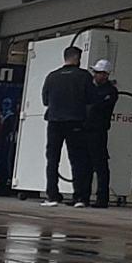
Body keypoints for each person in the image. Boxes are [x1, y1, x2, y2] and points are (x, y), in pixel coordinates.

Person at [40, 45, 95, 206]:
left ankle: (52, 195)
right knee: (78, 160)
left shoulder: (52, 76)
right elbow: (91, 99)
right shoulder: (84, 76)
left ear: (65, 58)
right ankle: (80, 197)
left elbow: (45, 100)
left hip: (54, 122)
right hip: (76, 122)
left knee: (52, 159)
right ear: (77, 59)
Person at [83, 59, 122, 208]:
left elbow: (96, 106)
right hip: (86, 129)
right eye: (95, 72)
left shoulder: (110, 91)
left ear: (105, 75)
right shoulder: (92, 89)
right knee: (85, 164)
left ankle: (102, 198)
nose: (95, 75)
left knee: (100, 165)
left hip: (98, 131)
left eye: (98, 73)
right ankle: (82, 196)